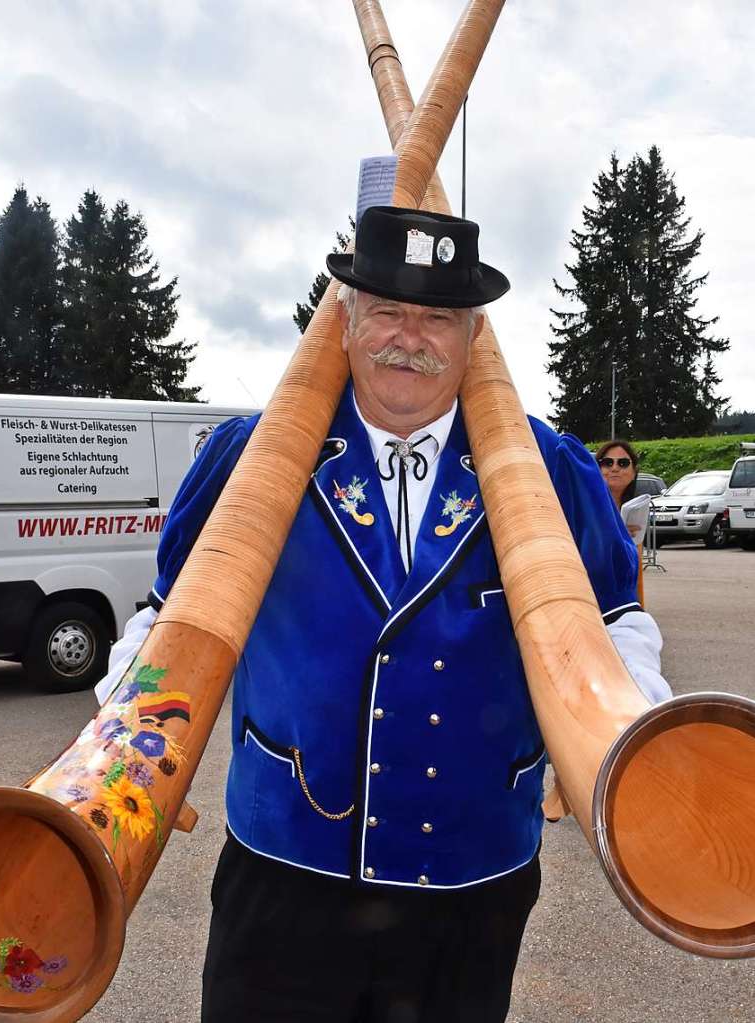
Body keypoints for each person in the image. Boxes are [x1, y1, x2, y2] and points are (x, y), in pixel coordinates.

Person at [95, 206, 670, 1022]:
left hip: (473, 882)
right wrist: (118, 747)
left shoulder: (550, 467)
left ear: (474, 339)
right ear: (344, 323)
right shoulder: (249, 456)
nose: (412, 337)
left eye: (438, 316)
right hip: (286, 874)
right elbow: (166, 620)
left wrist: (626, 731)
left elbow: (618, 621)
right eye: (389, 310)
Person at [595, 438, 640, 509]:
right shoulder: (582, 507)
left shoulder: (639, 508)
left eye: (623, 463)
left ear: (634, 472)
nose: (614, 468)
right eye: (607, 463)